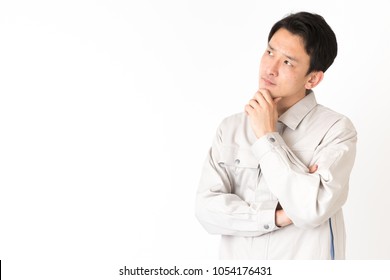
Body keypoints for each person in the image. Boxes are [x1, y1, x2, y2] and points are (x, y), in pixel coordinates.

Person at [195, 11, 357, 259]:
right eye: (270, 52)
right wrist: (277, 216)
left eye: (287, 62)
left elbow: (310, 209)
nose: (269, 68)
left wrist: (267, 136)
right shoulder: (231, 128)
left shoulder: (335, 130)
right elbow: (206, 211)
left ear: (313, 78)